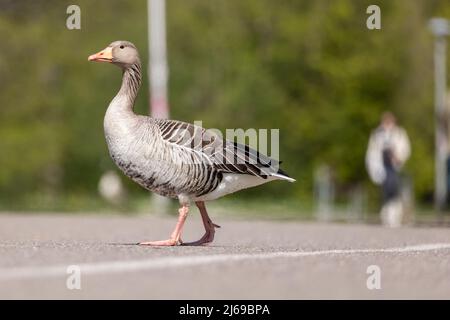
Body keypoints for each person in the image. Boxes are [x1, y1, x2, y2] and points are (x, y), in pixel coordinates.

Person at [366, 112, 411, 227]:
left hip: (395, 167)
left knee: (394, 191)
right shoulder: (376, 134)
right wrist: (374, 169)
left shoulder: (399, 133)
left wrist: (398, 157)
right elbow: (371, 153)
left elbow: (405, 149)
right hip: (382, 167)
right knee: (386, 192)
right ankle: (386, 216)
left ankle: (394, 217)